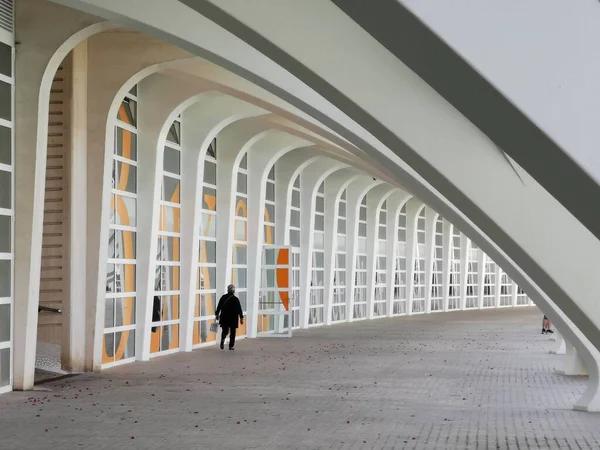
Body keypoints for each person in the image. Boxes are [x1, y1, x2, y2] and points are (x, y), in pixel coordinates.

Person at [215, 284, 244, 350]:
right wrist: (241, 318)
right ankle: (231, 346)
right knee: (233, 332)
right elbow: (239, 309)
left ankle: (223, 338)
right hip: (233, 318)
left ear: (227, 290)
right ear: (234, 291)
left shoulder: (223, 297)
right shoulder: (235, 299)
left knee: (225, 330)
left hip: (224, 316)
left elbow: (219, 306)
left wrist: (217, 314)